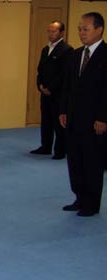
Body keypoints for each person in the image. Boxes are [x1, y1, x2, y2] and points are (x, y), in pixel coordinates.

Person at [59, 12, 107, 217]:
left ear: (99, 29)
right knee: (75, 160)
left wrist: (103, 118)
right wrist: (63, 110)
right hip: (74, 118)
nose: (81, 33)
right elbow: (67, 86)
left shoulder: (105, 54)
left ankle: (91, 203)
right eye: (79, 29)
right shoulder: (76, 54)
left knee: (92, 162)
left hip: (95, 120)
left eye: (86, 29)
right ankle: (79, 197)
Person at [30, 21, 73, 159]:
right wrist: (40, 85)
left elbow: (64, 74)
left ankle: (60, 150)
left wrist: (51, 88)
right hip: (45, 92)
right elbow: (40, 70)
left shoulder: (67, 50)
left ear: (61, 32)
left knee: (59, 122)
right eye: (49, 31)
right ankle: (46, 146)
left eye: (53, 31)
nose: (50, 34)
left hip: (58, 93)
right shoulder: (45, 49)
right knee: (46, 120)